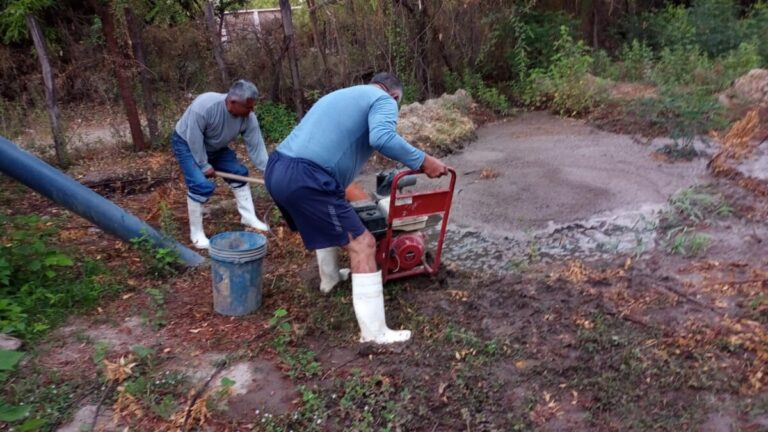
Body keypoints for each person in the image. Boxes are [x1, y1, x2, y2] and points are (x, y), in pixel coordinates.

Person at [265, 72, 450, 344]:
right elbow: (383, 138)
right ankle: (374, 334)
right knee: (363, 244)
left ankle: (329, 280)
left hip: (278, 168)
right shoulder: (383, 99)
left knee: (326, 216)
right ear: (395, 95)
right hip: (308, 176)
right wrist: (424, 161)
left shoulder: (343, 95)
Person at [172, 79, 270, 249]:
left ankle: (248, 217)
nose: (251, 111)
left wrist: (268, 170)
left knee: (239, 173)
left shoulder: (248, 117)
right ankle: (196, 234)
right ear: (232, 102)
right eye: (248, 107)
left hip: (215, 147)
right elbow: (194, 138)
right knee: (200, 185)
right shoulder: (204, 106)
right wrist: (203, 165)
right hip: (186, 143)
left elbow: (257, 146)